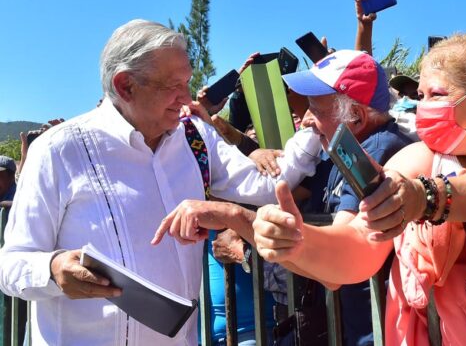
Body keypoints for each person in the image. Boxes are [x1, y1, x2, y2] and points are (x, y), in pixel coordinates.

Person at [0, 19, 320, 346]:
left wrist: (317, 125)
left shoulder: (196, 138)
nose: (187, 99)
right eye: (173, 86)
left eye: (187, 82)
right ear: (125, 86)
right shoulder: (59, 151)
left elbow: (265, 186)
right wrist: (52, 270)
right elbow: (10, 266)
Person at [250, 35, 466, 345]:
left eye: (436, 95)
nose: (423, 108)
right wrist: (299, 242)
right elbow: (362, 244)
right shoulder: (420, 157)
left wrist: (425, 197)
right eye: (419, 97)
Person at [154, 49, 412, 346]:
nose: (305, 121)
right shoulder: (334, 155)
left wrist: (236, 218)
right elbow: (305, 250)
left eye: (316, 108)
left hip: (377, 334)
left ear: (355, 114)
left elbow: (337, 267)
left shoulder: (377, 151)